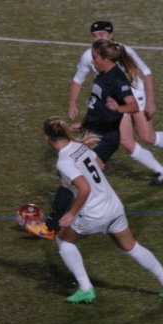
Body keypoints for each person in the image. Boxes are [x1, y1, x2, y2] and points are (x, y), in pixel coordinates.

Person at [26, 117, 163, 303]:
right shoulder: (80, 146)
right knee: (132, 246)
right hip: (113, 206)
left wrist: (71, 213)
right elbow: (100, 165)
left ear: (47, 138)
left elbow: (85, 189)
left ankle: (86, 289)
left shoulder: (63, 162)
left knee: (64, 241)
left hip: (94, 212)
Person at [27, 39, 139, 240]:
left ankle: (52, 226)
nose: (92, 61)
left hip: (104, 138)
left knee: (71, 180)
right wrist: (84, 122)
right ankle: (86, 214)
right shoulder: (102, 74)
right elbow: (96, 103)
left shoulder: (117, 79)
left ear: (105, 58)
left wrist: (117, 108)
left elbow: (133, 106)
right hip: (91, 133)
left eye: (95, 57)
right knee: (73, 177)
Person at [68, 21, 163, 185]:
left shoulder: (124, 51)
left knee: (147, 136)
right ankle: (162, 172)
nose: (98, 38)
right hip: (117, 102)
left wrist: (150, 101)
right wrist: (72, 103)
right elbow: (78, 79)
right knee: (125, 141)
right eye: (95, 35)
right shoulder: (90, 56)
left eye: (102, 34)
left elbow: (147, 73)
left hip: (136, 97)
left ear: (111, 35)